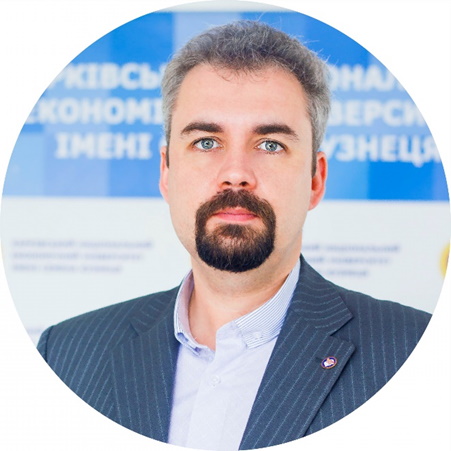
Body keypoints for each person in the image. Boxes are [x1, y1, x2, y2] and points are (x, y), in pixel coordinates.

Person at [37, 21, 431, 450]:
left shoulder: (416, 355)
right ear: (166, 172)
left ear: (315, 180)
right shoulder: (66, 356)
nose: (236, 174)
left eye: (271, 144)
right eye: (207, 142)